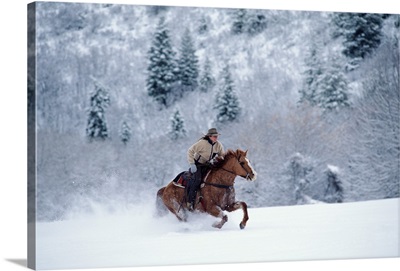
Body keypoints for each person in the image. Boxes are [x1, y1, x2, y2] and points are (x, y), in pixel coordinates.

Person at [186, 128, 224, 210]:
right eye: (214, 136)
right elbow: (190, 151)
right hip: (198, 164)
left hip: (208, 165)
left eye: (217, 136)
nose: (216, 138)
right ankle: (189, 202)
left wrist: (218, 161)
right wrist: (192, 164)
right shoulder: (202, 143)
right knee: (197, 180)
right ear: (209, 136)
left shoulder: (218, 145)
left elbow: (222, 156)